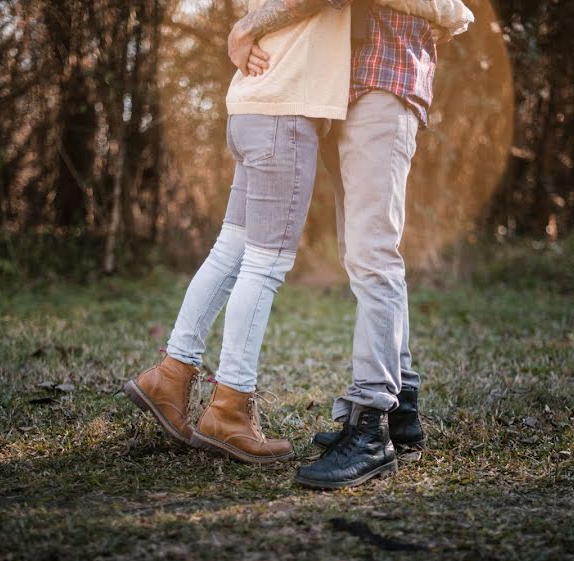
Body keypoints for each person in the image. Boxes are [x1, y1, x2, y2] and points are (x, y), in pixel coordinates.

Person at [226, 0, 472, 489]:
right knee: (365, 253)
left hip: (383, 86)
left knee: (372, 256)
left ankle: (371, 427)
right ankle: (401, 409)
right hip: (347, 94)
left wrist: (246, 28)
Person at [122, 0, 352, 464]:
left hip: (252, 108)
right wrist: (245, 27)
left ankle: (171, 374)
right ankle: (229, 407)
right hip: (283, 112)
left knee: (232, 249)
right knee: (265, 264)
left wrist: (245, 27)